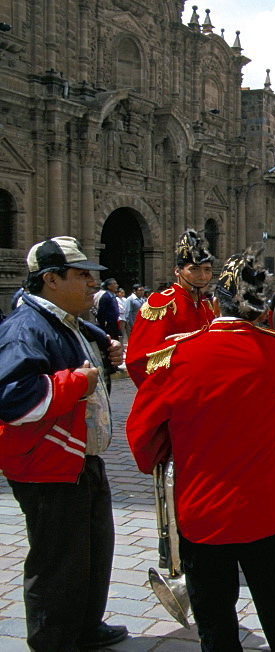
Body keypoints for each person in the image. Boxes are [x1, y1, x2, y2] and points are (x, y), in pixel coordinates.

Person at [126, 245, 275, 650]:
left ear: (216, 301)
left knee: (214, 617)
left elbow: (142, 436)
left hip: (202, 508)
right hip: (263, 505)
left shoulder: (177, 353)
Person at [0, 237, 128, 650]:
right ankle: (54, 640)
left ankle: (86, 627)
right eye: (81, 275)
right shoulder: (26, 329)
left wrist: (103, 353)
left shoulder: (66, 320)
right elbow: (13, 398)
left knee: (91, 552)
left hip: (78, 459)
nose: (93, 282)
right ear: (51, 280)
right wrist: (78, 381)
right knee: (58, 562)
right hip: (48, 465)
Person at [125, 230, 215, 386]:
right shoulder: (161, 304)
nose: (202, 276)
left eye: (207, 270)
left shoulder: (207, 306)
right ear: (177, 271)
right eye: (194, 269)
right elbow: (137, 361)